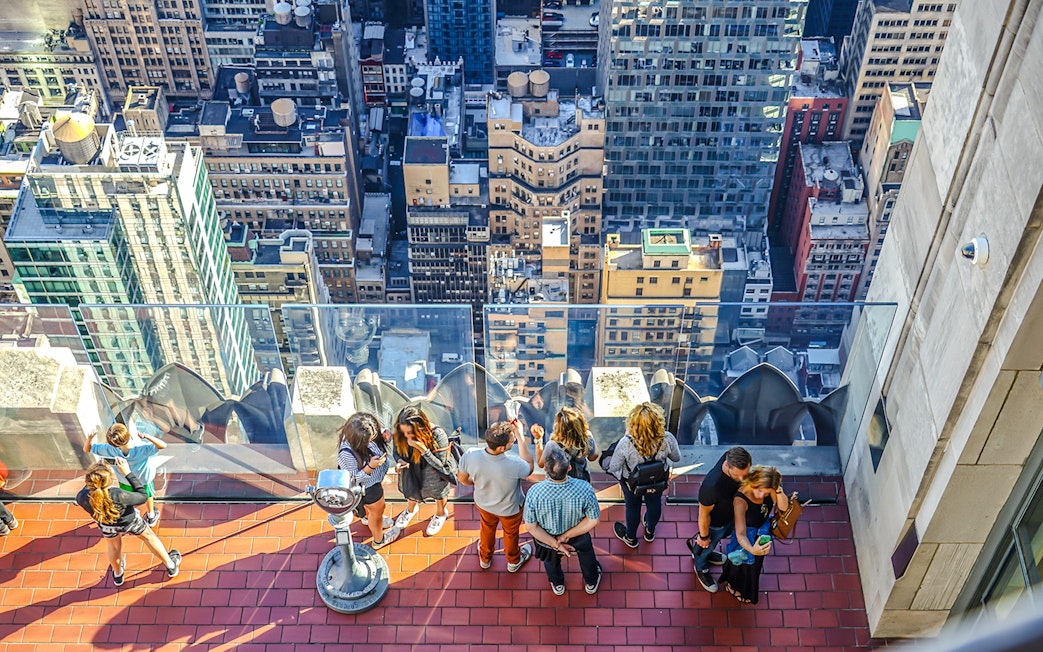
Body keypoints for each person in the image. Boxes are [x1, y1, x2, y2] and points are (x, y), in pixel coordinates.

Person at [75, 459, 181, 586]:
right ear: (108, 481)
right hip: (130, 522)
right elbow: (142, 496)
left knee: (114, 547)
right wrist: (127, 473)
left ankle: (118, 575)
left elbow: (88, 493)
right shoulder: (117, 494)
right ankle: (171, 566)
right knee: (149, 538)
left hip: (107, 525)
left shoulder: (81, 497)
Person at [523, 447, 602, 596]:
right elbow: (593, 520)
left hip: (546, 537)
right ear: (569, 468)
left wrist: (555, 543)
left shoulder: (535, 492)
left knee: (550, 561)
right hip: (578, 536)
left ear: (545, 469)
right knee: (587, 555)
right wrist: (566, 536)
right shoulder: (584, 488)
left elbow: (531, 526)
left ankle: (557, 584)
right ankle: (591, 581)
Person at [458, 419, 534, 572]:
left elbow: (462, 479)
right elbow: (530, 467)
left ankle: (485, 558)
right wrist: (520, 435)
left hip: (484, 504)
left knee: (486, 528)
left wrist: (476, 484)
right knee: (511, 534)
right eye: (511, 442)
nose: (512, 442)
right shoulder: (515, 464)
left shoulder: (470, 455)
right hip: (510, 509)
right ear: (501, 448)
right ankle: (513, 561)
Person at [606, 402, 681, 548]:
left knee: (632, 507)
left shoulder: (626, 443)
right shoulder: (667, 438)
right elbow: (676, 458)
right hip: (657, 480)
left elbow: (614, 466)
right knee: (654, 503)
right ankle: (649, 532)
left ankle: (631, 538)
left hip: (632, 482)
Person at [718, 466, 790, 604]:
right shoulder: (740, 500)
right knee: (741, 565)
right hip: (746, 536)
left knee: (754, 566)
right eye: (760, 491)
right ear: (753, 482)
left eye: (766, 493)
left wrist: (778, 489)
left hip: (761, 532)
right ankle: (733, 586)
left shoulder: (768, 490)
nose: (762, 496)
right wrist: (752, 549)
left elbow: (783, 507)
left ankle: (742, 589)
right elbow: (740, 533)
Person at [687, 446, 752, 593]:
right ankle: (701, 566)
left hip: (729, 516)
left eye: (745, 474)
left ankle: (705, 553)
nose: (742, 479)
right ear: (726, 465)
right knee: (707, 545)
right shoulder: (711, 487)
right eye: (738, 476)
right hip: (715, 524)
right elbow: (703, 515)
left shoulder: (732, 456)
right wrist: (704, 537)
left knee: (714, 543)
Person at [336, 412, 398, 549]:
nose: (372, 440)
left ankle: (366, 518)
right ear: (359, 440)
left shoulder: (357, 430)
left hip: (372, 482)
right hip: (368, 488)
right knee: (378, 512)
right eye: (370, 439)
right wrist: (370, 467)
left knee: (372, 512)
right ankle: (378, 540)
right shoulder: (346, 454)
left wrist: (383, 433)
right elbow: (353, 480)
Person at [85, 423, 167, 527]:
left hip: (124, 480)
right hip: (144, 479)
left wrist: (90, 438)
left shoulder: (109, 449)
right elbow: (163, 445)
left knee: (128, 497)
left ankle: (133, 512)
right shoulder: (140, 447)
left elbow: (87, 449)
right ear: (128, 435)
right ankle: (151, 516)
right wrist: (146, 436)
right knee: (148, 496)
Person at [391, 406, 454, 535]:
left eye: (410, 432)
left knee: (438, 493)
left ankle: (440, 514)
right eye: (404, 431)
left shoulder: (437, 434)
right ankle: (410, 510)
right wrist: (399, 461)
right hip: (410, 471)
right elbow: (395, 452)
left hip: (432, 473)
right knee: (410, 490)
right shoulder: (400, 431)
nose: (406, 435)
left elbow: (440, 465)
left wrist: (423, 449)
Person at [535, 406, 599, 482]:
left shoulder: (552, 445)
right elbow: (593, 457)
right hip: (581, 483)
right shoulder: (586, 439)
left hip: (558, 485)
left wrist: (538, 439)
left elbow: (540, 464)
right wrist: (590, 437)